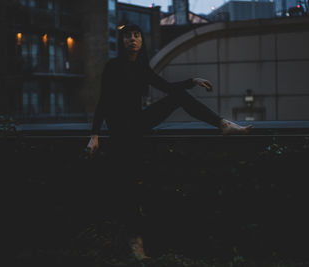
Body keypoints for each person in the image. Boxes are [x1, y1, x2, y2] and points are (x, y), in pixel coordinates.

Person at [86, 24, 252, 260]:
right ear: (121, 42)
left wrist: (192, 80)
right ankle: (135, 243)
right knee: (130, 186)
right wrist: (94, 135)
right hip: (122, 132)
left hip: (138, 122)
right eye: (127, 37)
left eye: (136, 36)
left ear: (141, 41)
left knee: (178, 97)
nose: (132, 40)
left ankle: (222, 124)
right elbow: (103, 100)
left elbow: (165, 87)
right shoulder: (113, 66)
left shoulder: (141, 65)